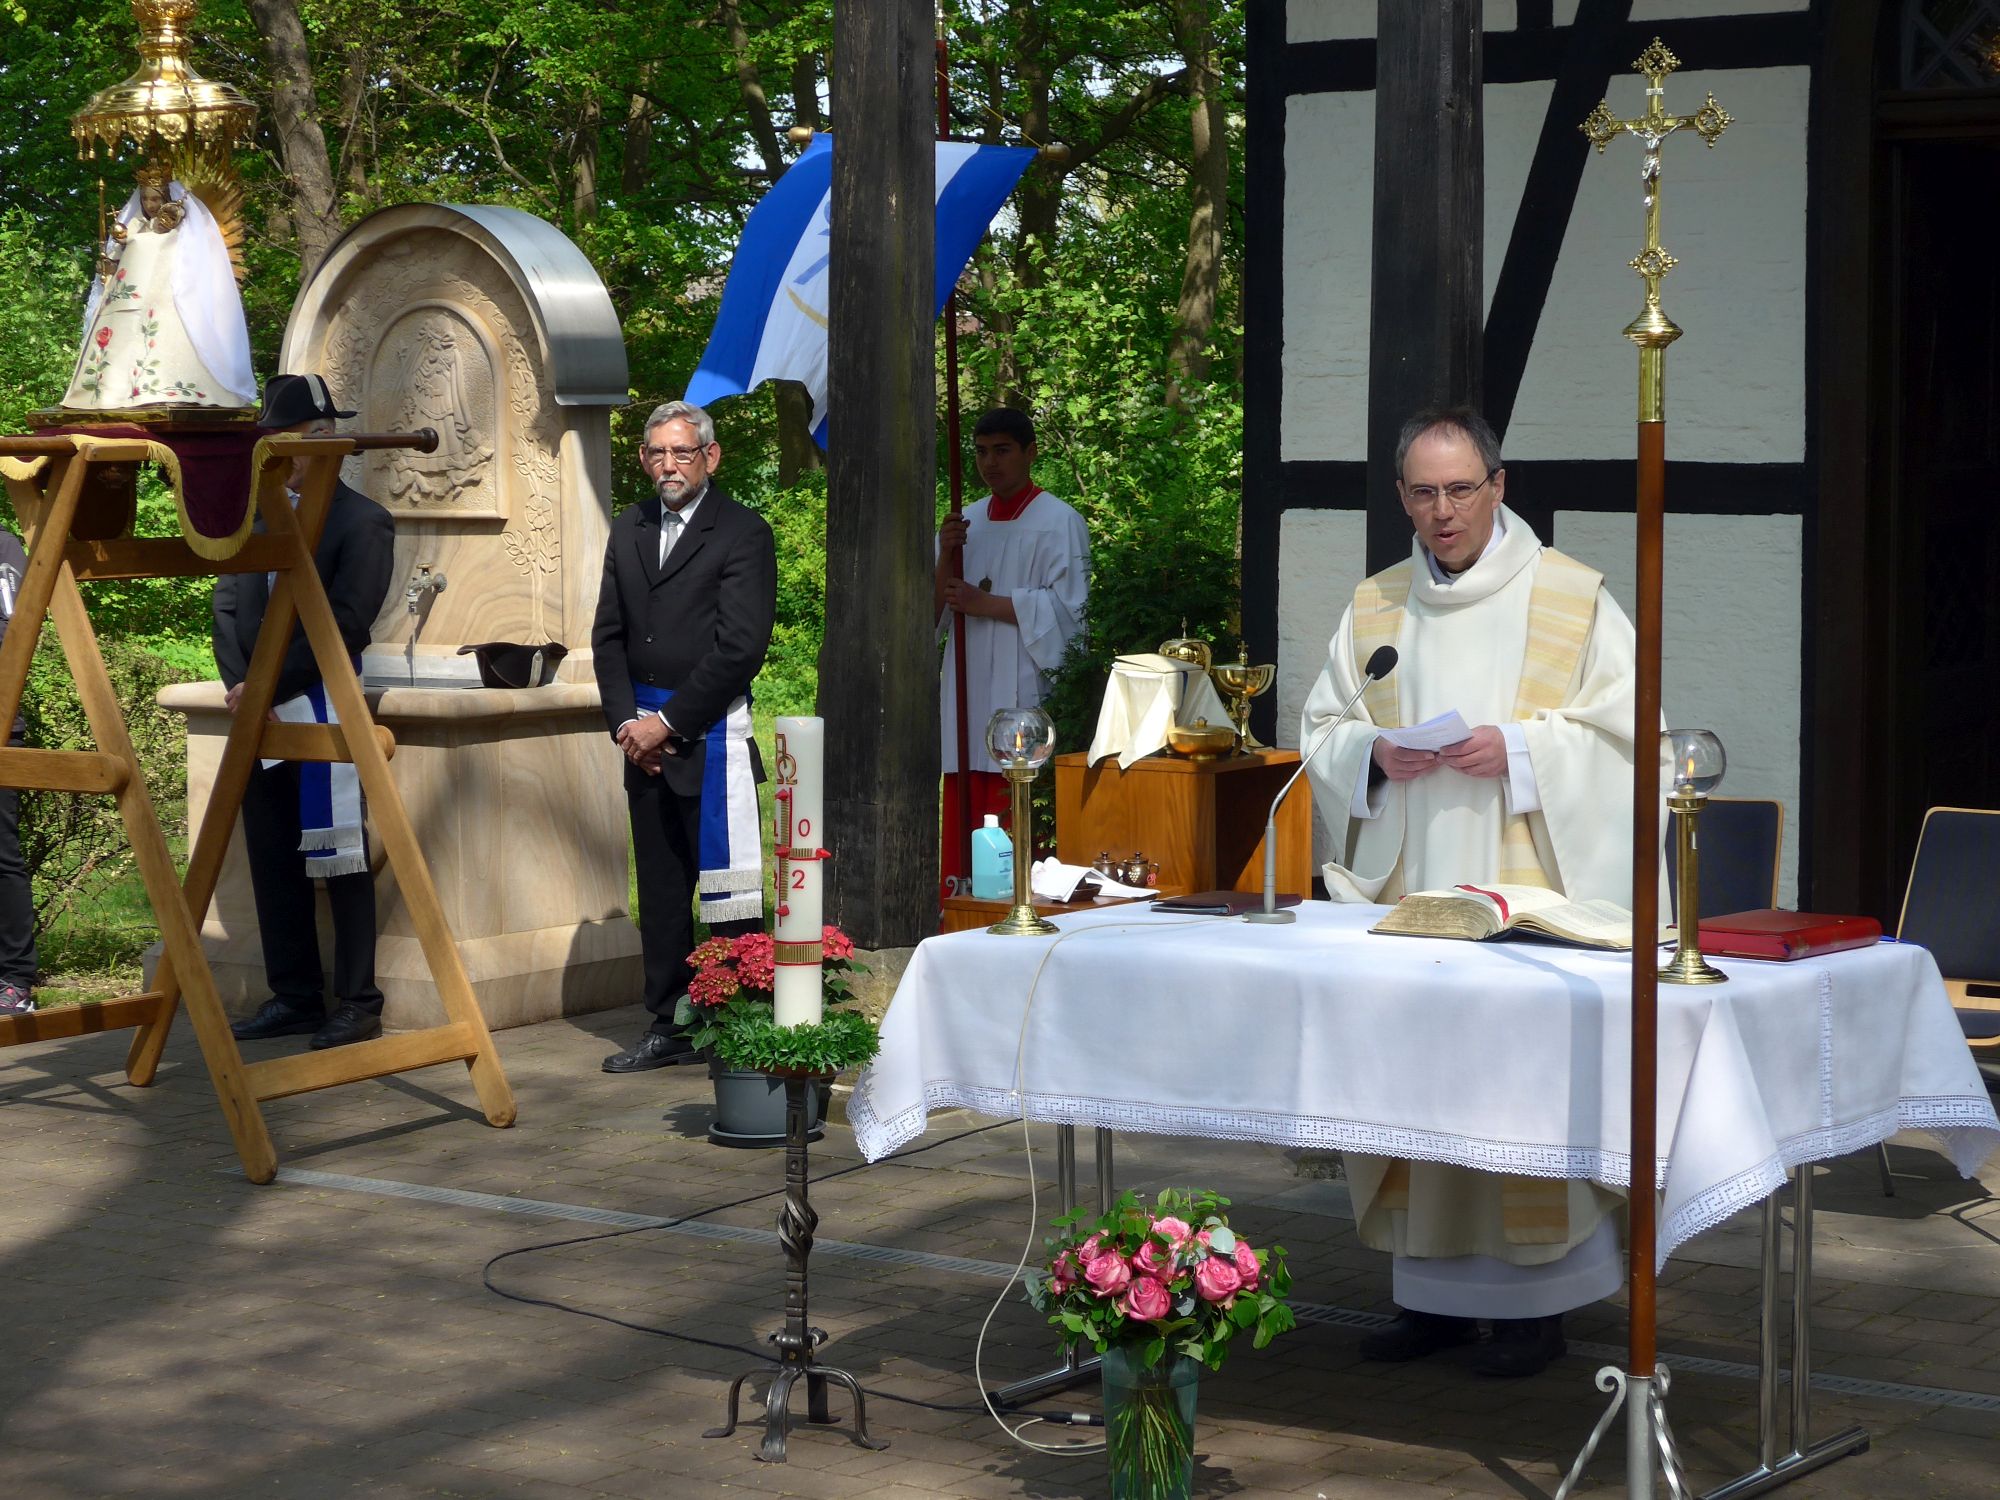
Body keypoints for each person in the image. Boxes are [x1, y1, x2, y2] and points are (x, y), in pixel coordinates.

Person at [1300, 406, 1659, 1378]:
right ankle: (1431, 1301)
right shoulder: (1377, 605)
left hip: (1527, 898)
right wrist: (1370, 754)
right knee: (1416, 1077)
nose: (1443, 510)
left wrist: (1526, 750)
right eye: (1423, 492)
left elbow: (1637, 742)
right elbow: (1322, 728)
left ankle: (1537, 1310)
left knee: (1516, 1086)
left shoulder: (1572, 598)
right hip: (1412, 896)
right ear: (1401, 497)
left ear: (1498, 487)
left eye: (1461, 489)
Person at [593, 400, 775, 1073]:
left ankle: (740, 1021)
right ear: (644, 459)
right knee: (663, 888)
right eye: (657, 453)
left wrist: (666, 725)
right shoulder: (630, 527)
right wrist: (627, 726)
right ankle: (669, 1022)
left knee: (728, 887)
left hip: (705, 733)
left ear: (710, 457)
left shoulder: (743, 532)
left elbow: (740, 647)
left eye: (682, 452)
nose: (669, 465)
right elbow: (607, 635)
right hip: (639, 744)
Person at [217, 375, 397, 1050]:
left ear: (322, 442)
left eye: (281, 442)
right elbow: (226, 605)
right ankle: (293, 995)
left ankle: (358, 1000)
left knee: (340, 856)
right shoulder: (253, 518)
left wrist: (267, 683)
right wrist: (244, 685)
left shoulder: (363, 520)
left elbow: (346, 622)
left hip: (318, 702)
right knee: (271, 855)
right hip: (258, 713)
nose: (272, 456)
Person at [934, 408, 1089, 902]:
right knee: (967, 787)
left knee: (1016, 786)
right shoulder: (966, 523)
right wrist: (945, 554)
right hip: (967, 678)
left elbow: (1071, 614)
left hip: (1023, 676)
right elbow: (932, 615)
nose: (990, 463)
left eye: (1002, 450)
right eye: (981, 452)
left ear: (1030, 452)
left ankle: (1020, 899)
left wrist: (989, 604)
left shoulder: (1060, 522)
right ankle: (960, 904)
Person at [63, 160, 256, 411]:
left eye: (155, 199)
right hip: (129, 298)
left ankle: (170, 387)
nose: (150, 205)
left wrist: (149, 235)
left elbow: (177, 251)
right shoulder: (135, 225)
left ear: (165, 198)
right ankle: (112, 388)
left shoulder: (178, 227)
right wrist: (110, 260)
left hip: (168, 293)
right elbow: (120, 256)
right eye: (145, 199)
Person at [0, 525, 37, 1016]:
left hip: (1, 722)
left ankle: (15, 980)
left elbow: (17, 635)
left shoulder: (4, 546)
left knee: (1, 857)